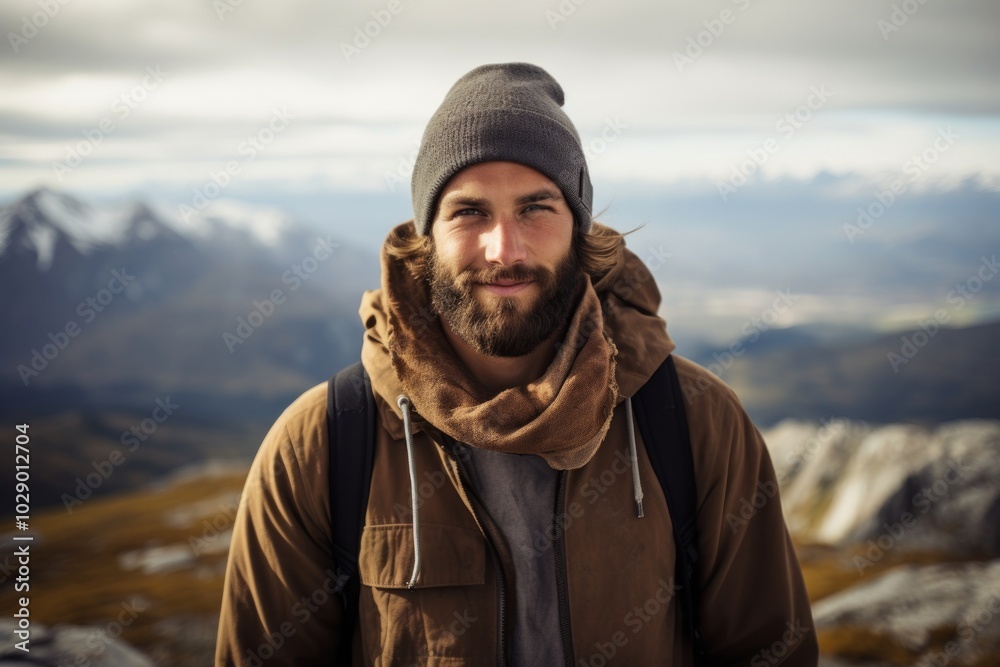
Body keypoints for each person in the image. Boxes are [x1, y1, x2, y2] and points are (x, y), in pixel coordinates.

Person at [216, 62, 818, 666]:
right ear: (425, 238)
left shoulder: (694, 421)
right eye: (469, 212)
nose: (504, 250)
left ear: (579, 228)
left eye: (536, 208)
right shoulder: (321, 444)